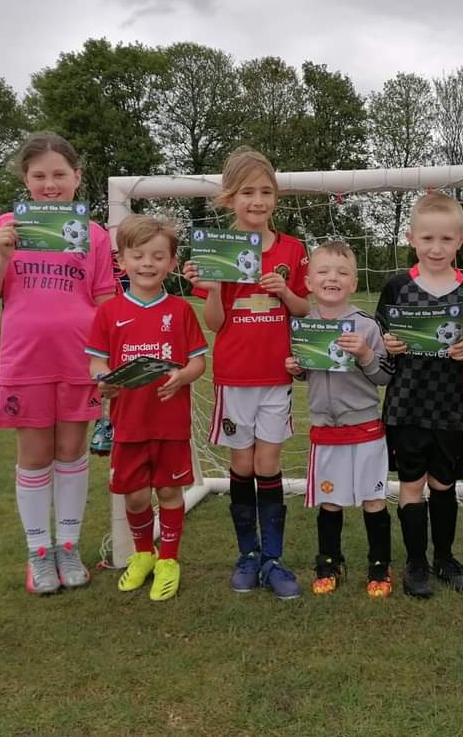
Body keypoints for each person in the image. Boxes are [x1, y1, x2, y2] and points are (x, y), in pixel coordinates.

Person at [0, 132, 117, 594]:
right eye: (39, 175)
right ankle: (38, 552)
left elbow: (104, 299)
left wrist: (113, 354)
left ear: (77, 178)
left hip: (80, 362)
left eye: (60, 174)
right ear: (26, 179)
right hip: (25, 361)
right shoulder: (5, 226)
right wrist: (1, 254)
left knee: (72, 452)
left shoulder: (93, 234)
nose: (50, 184)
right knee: (35, 455)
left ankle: (69, 546)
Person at [182, 146, 310, 599]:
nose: (257, 201)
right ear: (229, 198)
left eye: (266, 191)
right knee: (241, 464)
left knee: (269, 463)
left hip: (276, 377)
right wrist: (214, 288)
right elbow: (215, 323)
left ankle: (274, 559)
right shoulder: (216, 250)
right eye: (247, 192)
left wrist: (285, 294)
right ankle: (247, 555)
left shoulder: (292, 250)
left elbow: (304, 309)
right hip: (234, 379)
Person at [86, 215, 207, 601]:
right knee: (136, 496)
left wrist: (183, 377)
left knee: (170, 491)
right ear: (121, 261)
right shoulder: (108, 313)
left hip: (170, 423)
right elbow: (97, 362)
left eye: (158, 256)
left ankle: (169, 559)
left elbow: (197, 361)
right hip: (129, 423)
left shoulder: (181, 311)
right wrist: (105, 379)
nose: (148, 264)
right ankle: (143, 554)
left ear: (171, 262)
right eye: (138, 256)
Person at [374, 190, 463, 599]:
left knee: (445, 485)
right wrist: (388, 344)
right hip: (406, 404)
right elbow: (380, 339)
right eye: (428, 238)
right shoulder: (397, 287)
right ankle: (416, 561)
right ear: (411, 237)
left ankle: (445, 557)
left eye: (446, 239)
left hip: (449, 404)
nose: (437, 247)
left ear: (461, 242)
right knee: (412, 485)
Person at [284, 241, 393, 597]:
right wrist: (296, 368)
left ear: (354, 282)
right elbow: (306, 373)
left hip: (364, 430)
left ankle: (379, 567)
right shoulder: (303, 326)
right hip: (325, 430)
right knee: (329, 501)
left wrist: (364, 353)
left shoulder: (367, 326)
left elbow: (384, 376)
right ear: (309, 282)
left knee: (373, 500)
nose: (333, 278)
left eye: (342, 273)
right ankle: (329, 562)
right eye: (324, 272)